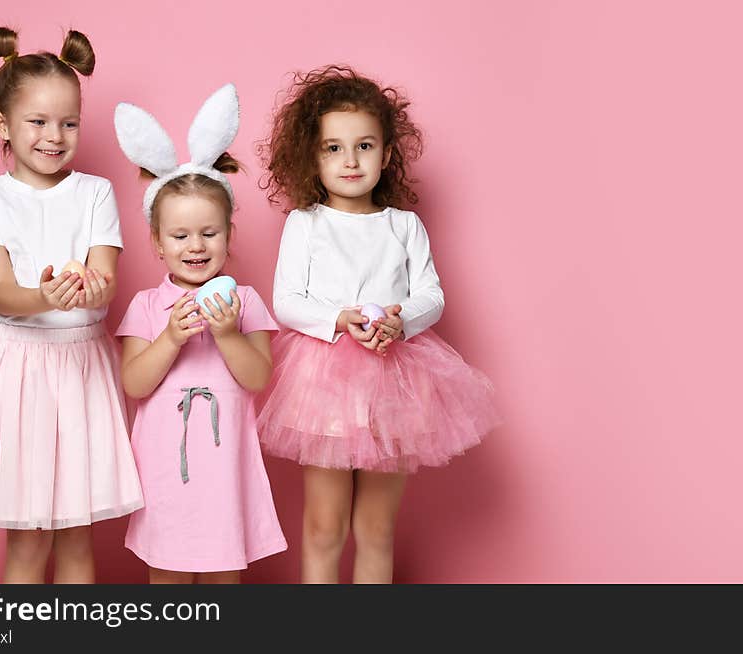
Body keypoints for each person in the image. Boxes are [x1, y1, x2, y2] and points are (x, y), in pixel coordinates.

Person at [257, 65, 501, 583]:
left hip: (395, 380)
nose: (350, 160)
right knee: (324, 526)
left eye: (364, 146)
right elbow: (287, 300)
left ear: (387, 154)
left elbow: (430, 294)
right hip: (322, 383)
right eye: (333, 148)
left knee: (376, 528)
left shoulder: (403, 224)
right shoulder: (307, 223)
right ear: (313, 156)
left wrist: (401, 321)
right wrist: (339, 319)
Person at [0, 27, 143, 583]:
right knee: (28, 546)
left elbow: (105, 276)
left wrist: (95, 290)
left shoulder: (95, 191)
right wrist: (43, 296)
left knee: (77, 542)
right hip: (19, 371)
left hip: (80, 367)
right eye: (38, 122)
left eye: (69, 123)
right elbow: (2, 291)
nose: (55, 136)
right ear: (3, 123)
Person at [113, 84, 287, 584]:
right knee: (167, 578)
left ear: (229, 236)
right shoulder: (148, 306)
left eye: (209, 234)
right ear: (158, 243)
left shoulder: (245, 302)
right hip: (167, 474)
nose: (196, 246)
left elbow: (257, 378)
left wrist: (229, 333)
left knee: (222, 577)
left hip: (224, 474)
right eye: (180, 236)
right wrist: (170, 337)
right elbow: (135, 384)